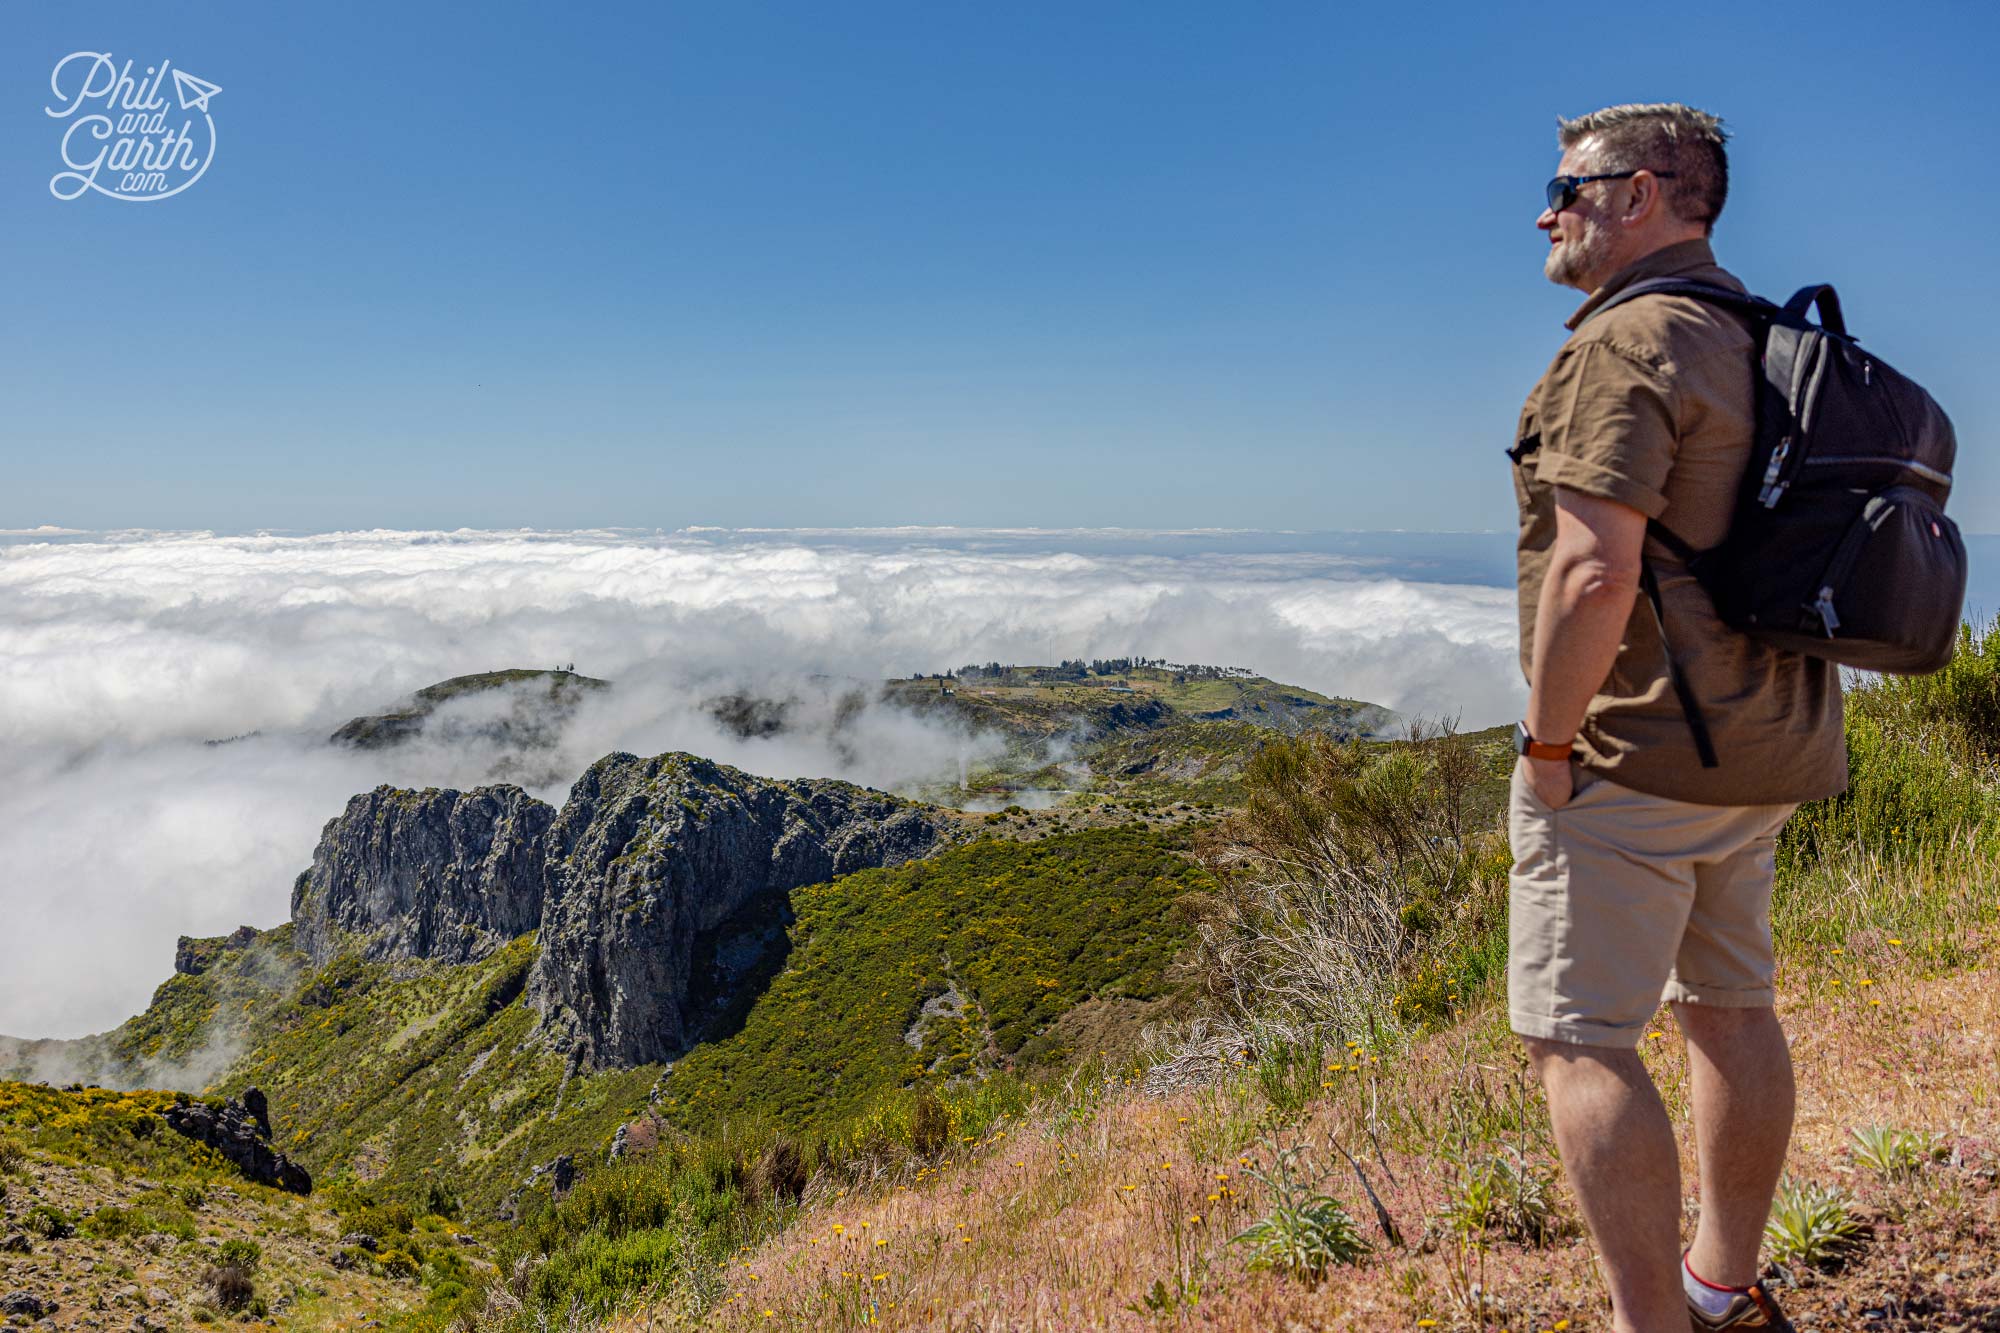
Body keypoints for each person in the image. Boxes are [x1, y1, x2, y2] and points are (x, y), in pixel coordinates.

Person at [1508, 103, 1848, 1333]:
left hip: (1637, 748)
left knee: (1577, 1040)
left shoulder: (1626, 342)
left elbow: (1591, 573)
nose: (1546, 211)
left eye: (1564, 185)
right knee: (1730, 1004)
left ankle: (1650, 1323)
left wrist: (1548, 747)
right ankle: (1719, 1288)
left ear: (1640, 192)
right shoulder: (1758, 334)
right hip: (1766, 740)